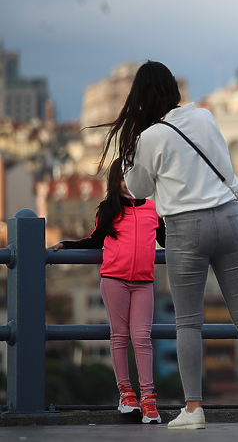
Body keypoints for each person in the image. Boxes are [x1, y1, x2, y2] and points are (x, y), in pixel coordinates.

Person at [100, 60, 238, 429]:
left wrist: (133, 150)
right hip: (231, 218)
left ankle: (193, 408)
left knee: (188, 323)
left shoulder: (150, 137)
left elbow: (137, 190)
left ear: (141, 99)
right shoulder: (205, 117)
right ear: (173, 91)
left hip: (186, 227)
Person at [51, 158, 165, 423]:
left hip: (144, 283)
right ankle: (126, 394)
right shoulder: (108, 209)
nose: (129, 183)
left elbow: (166, 240)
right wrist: (68, 245)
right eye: (124, 178)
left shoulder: (152, 209)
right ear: (116, 181)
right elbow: (95, 240)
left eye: (134, 177)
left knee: (142, 338)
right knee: (119, 336)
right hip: (114, 279)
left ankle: (148, 399)